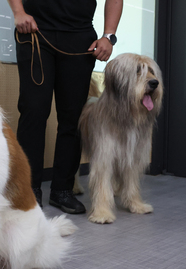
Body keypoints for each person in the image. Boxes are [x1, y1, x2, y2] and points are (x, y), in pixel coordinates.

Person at [7, 0, 122, 214]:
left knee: (73, 118)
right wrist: (19, 11)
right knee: (34, 111)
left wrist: (109, 36)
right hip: (35, 32)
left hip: (80, 38)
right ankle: (28, 190)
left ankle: (62, 190)